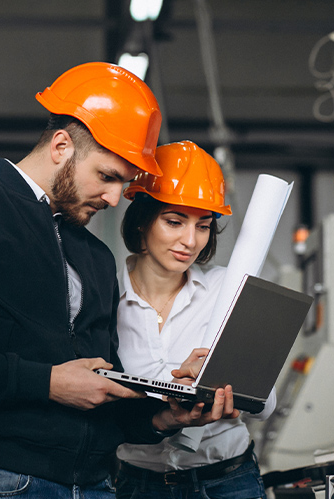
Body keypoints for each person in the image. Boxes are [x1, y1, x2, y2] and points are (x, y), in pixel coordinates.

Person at [0, 63, 238, 499]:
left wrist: (166, 413)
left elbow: (103, 394)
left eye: (124, 182)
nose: (116, 198)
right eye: (107, 176)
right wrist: (48, 382)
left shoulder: (95, 255)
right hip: (3, 479)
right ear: (61, 145)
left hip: (97, 484)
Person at [114, 141, 275, 499]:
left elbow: (268, 406)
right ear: (142, 220)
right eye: (174, 221)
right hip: (136, 485)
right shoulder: (105, 300)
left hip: (228, 481)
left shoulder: (227, 290)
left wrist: (228, 382)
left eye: (203, 226)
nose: (190, 241)